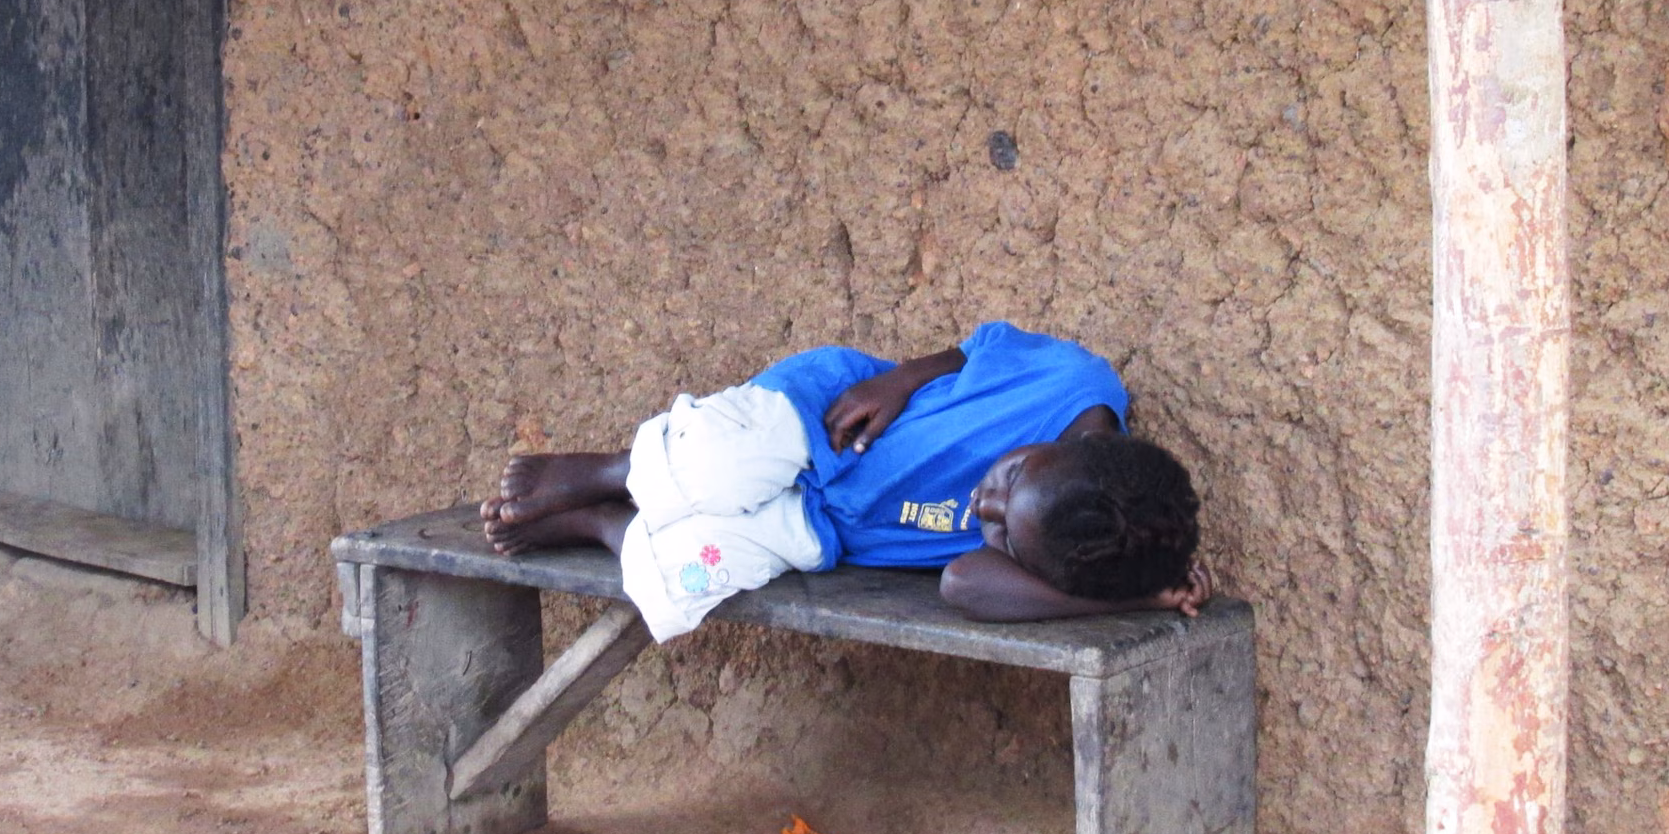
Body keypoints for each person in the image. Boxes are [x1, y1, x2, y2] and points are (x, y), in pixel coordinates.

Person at [478, 322, 1211, 641]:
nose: (982, 503)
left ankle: (599, 523)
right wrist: (903, 377)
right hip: (826, 423)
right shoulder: (1072, 379)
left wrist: (1133, 597)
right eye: (1010, 475)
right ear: (1070, 448)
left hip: (824, 527)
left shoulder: (1047, 545)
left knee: (690, 579)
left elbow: (963, 588)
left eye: (996, 529)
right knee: (721, 465)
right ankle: (612, 472)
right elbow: (978, 345)